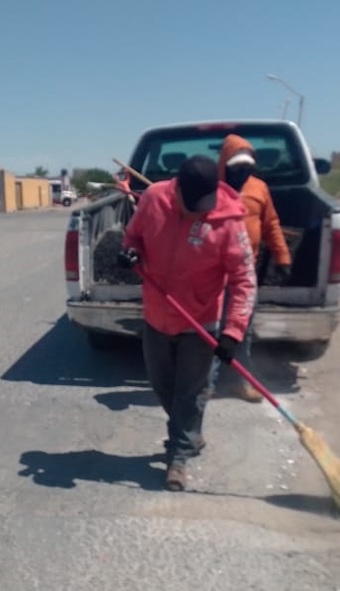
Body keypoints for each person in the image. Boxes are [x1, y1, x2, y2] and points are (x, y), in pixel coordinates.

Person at [120, 155, 256, 491]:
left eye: (204, 205)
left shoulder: (228, 222)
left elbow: (244, 280)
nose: (199, 211)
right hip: (156, 315)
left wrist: (233, 331)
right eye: (191, 204)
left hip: (201, 321)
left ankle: (177, 457)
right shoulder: (153, 200)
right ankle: (191, 434)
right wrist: (130, 254)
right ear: (176, 190)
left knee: (189, 393)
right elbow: (132, 237)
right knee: (163, 386)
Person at [212, 134, 293, 401]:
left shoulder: (259, 188)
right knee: (211, 330)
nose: (242, 172)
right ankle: (207, 383)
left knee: (241, 330)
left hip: (246, 272)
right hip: (211, 273)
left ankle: (239, 380)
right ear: (224, 164)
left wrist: (282, 257)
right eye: (236, 167)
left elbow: (270, 224)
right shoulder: (210, 188)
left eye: (247, 166)